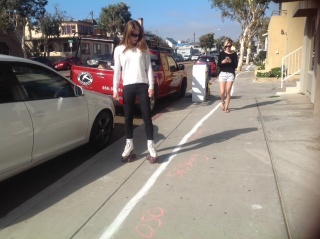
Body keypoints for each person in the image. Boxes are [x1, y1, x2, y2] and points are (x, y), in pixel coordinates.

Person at [113, 20, 158, 163]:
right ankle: (129, 145)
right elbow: (117, 72)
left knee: (146, 116)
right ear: (127, 33)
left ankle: (151, 146)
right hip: (128, 86)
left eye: (139, 35)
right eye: (133, 35)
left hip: (142, 85)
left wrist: (151, 86)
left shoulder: (143, 48)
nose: (136, 38)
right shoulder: (119, 50)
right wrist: (115, 89)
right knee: (128, 117)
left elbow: (149, 68)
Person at [217, 38, 238, 113]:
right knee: (222, 92)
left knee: (228, 91)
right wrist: (223, 62)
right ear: (225, 46)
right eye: (227, 46)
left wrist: (230, 61)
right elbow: (218, 64)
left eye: (229, 46)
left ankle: (226, 107)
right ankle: (222, 102)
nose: (228, 48)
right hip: (222, 73)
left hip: (230, 74)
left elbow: (235, 66)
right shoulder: (221, 54)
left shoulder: (234, 54)